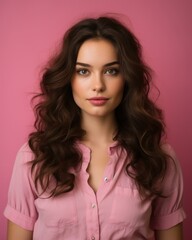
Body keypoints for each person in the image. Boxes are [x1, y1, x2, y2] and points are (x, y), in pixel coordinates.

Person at [4, 16, 186, 240]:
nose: (98, 85)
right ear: (68, 78)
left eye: (111, 71)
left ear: (127, 77)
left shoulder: (158, 158)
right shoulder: (33, 157)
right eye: (83, 71)